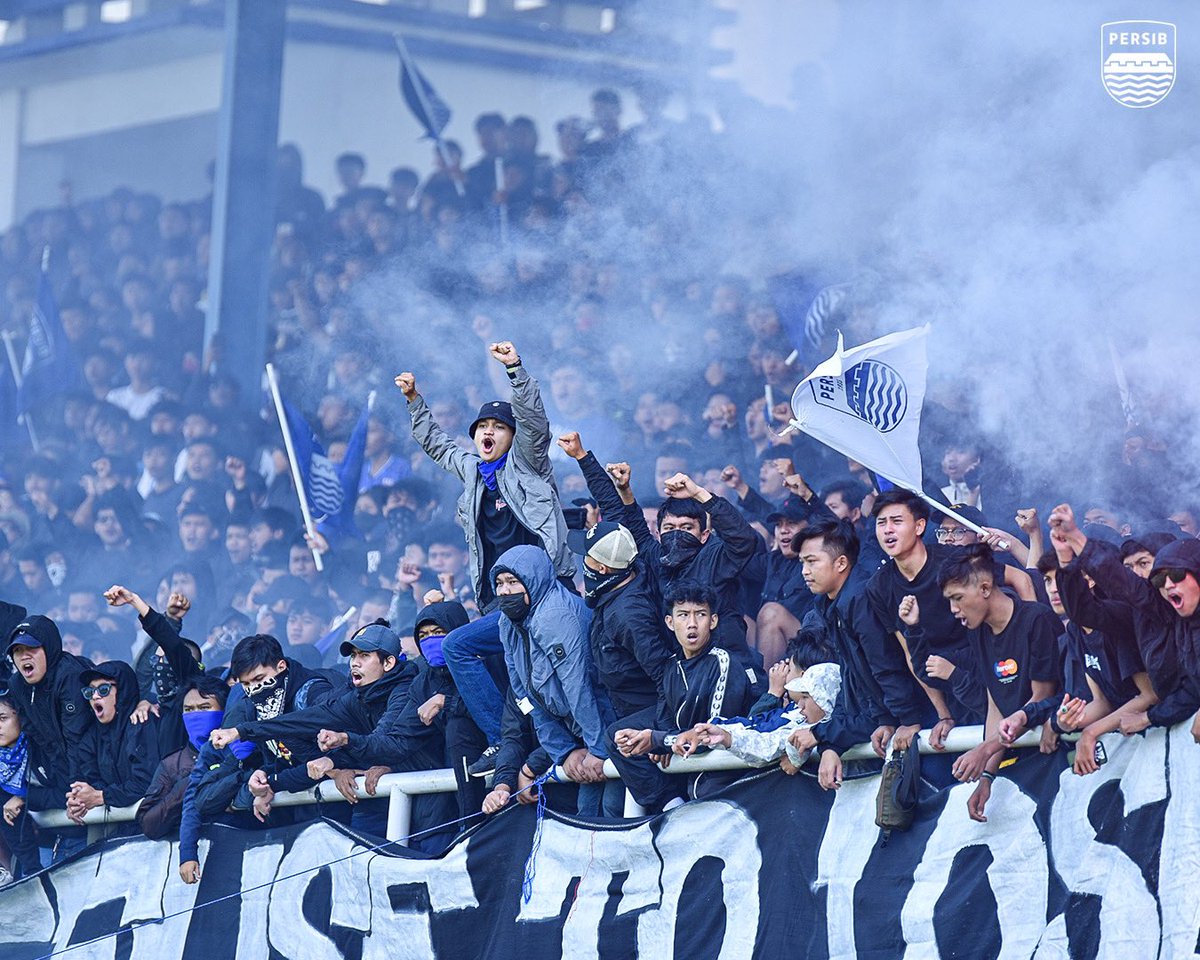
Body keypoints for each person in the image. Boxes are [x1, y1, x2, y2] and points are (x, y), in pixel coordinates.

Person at [395, 340, 575, 761]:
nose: (487, 432)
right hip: (501, 603)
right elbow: (437, 445)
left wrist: (515, 369)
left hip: (545, 596)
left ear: (513, 437)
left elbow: (535, 423)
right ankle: (502, 742)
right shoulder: (473, 472)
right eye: (480, 427)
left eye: (497, 426)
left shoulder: (529, 464)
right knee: (461, 648)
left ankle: (565, 745)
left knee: (544, 677)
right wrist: (413, 400)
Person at [212, 622, 454, 848]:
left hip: (434, 810)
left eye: (364, 656)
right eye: (353, 656)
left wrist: (344, 743)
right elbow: (305, 721)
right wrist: (240, 731)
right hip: (379, 803)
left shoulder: (407, 690)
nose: (354, 663)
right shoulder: (355, 696)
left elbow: (390, 744)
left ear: (388, 663)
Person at [911, 544, 1060, 823]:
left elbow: (1042, 697)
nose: (954, 609)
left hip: (1050, 757)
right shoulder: (978, 631)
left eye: (957, 598)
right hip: (1014, 752)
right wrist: (987, 776)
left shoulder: (1036, 619)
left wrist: (984, 750)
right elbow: (996, 703)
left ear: (984, 587)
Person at [491, 544, 622, 816]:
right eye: (500, 583)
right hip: (578, 736)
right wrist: (564, 751)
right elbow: (524, 696)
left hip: (610, 725)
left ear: (533, 580)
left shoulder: (554, 616)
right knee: (585, 810)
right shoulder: (507, 623)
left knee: (613, 807)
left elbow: (579, 687)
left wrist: (597, 749)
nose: (504, 591)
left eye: (513, 582)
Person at [610, 581, 760, 812]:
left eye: (700, 614)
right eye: (683, 615)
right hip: (689, 779)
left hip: (725, 788)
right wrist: (652, 742)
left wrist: (658, 741)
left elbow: (712, 736)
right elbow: (664, 721)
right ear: (670, 623)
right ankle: (672, 808)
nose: (692, 624)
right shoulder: (671, 667)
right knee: (617, 736)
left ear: (713, 621)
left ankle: (676, 812)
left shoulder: (723, 663)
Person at [5, 616, 93, 862]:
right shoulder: (17, 684)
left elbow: (76, 739)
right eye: (18, 651)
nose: (24, 657)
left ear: (49, 647)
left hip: (91, 773)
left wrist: (75, 790)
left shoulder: (69, 674)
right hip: (59, 777)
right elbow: (37, 737)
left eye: (31, 648)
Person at [70, 661, 161, 828]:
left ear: (123, 692)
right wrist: (79, 799)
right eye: (90, 692)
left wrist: (101, 796)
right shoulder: (90, 736)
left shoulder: (142, 721)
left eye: (103, 690)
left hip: (154, 831)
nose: (95, 696)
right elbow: (88, 778)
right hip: (118, 829)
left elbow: (147, 782)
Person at [137, 675, 229, 840]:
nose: (195, 715)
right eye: (188, 709)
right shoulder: (172, 764)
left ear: (225, 711)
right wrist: (188, 784)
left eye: (204, 707)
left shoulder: (242, 752)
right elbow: (149, 825)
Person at [0, 694, 40, 880]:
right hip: (31, 858)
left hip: (70, 836)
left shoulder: (41, 746)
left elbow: (63, 785)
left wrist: (24, 796)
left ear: (21, 717)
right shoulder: (2, 764)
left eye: (3, 718)